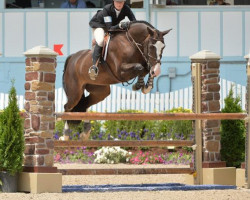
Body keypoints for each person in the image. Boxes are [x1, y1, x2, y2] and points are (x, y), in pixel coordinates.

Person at [88, 0, 136, 80]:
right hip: (99, 25)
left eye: (121, 2)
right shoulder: (107, 9)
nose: (119, 4)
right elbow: (109, 28)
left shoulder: (126, 8)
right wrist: (121, 25)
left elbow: (134, 21)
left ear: (124, 2)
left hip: (112, 26)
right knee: (100, 41)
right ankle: (94, 67)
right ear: (113, 1)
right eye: (117, 2)